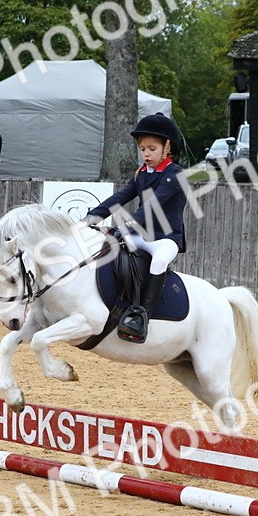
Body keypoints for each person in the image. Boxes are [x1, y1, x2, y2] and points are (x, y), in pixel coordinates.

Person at [83, 113, 186, 344]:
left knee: (159, 262)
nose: (146, 154)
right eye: (142, 149)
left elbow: (152, 206)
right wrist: (92, 217)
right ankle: (116, 303)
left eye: (151, 148)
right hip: (141, 235)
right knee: (109, 250)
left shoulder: (175, 175)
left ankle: (141, 317)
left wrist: (126, 226)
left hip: (165, 239)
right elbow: (120, 197)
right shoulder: (141, 175)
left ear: (167, 147)